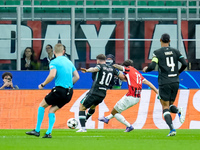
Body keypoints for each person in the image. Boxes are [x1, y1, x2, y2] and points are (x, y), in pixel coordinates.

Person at [26, 43, 80, 138]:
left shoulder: (54, 62)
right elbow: (77, 76)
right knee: (52, 110)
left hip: (59, 90)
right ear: (63, 52)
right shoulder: (69, 62)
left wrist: (43, 84)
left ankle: (37, 130)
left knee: (42, 106)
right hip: (69, 93)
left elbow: (52, 75)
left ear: (54, 52)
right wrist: (69, 85)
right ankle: (48, 133)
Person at [142, 33, 187, 136]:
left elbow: (153, 66)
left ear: (160, 40)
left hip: (164, 82)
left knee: (165, 107)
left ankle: (172, 129)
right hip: (175, 81)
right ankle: (178, 111)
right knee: (169, 105)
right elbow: (184, 64)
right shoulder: (176, 51)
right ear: (169, 41)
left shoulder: (157, 53)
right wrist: (178, 73)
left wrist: (146, 69)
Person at [98, 59, 158, 132]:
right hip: (136, 97)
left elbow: (120, 68)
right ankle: (107, 118)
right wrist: (157, 91)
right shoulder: (137, 74)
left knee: (115, 112)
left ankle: (129, 126)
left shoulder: (128, 69)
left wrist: (111, 66)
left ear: (126, 66)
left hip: (131, 96)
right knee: (116, 110)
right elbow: (148, 83)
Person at [76, 54, 125, 132]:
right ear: (105, 60)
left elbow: (94, 69)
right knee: (92, 107)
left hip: (95, 91)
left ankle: (82, 128)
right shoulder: (112, 68)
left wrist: (87, 70)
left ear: (98, 60)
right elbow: (122, 77)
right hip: (102, 94)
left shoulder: (100, 66)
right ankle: (84, 121)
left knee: (82, 106)